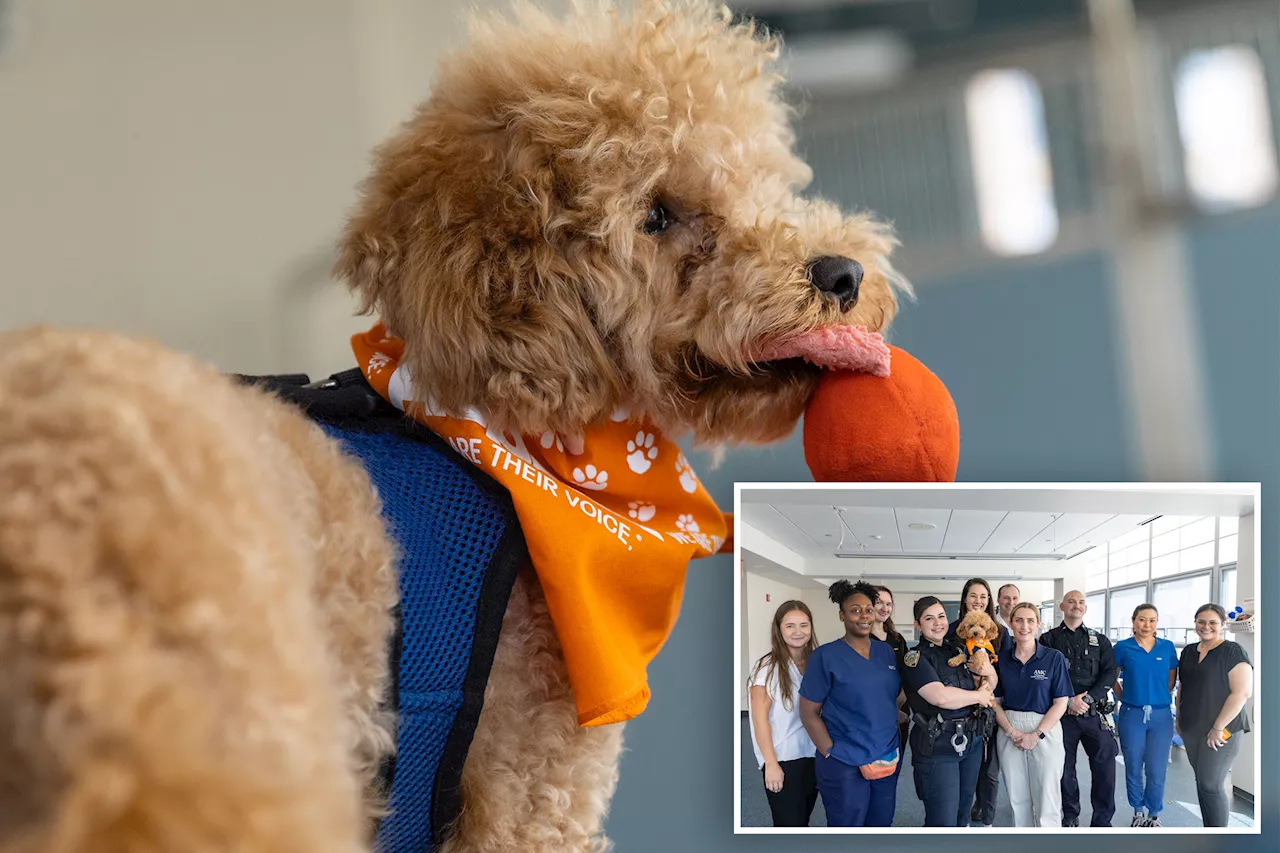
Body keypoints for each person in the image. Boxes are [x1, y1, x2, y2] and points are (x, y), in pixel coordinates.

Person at [799, 580, 902, 827]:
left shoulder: (885, 652)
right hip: (844, 760)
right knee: (847, 827)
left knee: (881, 824)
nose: (864, 615)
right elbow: (808, 712)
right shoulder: (825, 656)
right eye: (855, 610)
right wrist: (830, 751)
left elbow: (890, 696)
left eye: (868, 609)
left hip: (885, 755)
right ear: (842, 615)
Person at [901, 595, 997, 826]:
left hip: (971, 741)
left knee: (963, 813)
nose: (937, 623)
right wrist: (980, 696)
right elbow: (941, 697)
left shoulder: (960, 648)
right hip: (938, 746)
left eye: (941, 616)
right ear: (918, 625)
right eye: (929, 618)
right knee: (942, 820)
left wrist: (988, 679)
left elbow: (991, 678)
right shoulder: (915, 658)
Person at [1039, 589, 1119, 826]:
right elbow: (1045, 677)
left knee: (1106, 766)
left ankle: (1102, 822)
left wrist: (1088, 700)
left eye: (1081, 602)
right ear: (1062, 607)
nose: (1076, 605)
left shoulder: (1100, 640)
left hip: (1094, 713)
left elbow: (1108, 674)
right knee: (1064, 769)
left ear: (1085, 608)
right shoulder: (1048, 640)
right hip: (1062, 716)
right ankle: (1070, 816)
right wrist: (1070, 699)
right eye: (1071, 602)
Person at [992, 603, 1072, 827]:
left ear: (1038, 624)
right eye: (1018, 620)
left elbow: (1061, 703)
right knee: (1018, 800)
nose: (1024, 626)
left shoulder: (1053, 658)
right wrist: (1011, 731)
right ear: (1010, 623)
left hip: (1044, 727)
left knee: (1048, 798)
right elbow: (994, 702)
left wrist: (1036, 735)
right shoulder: (1001, 660)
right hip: (1010, 727)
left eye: (1030, 621)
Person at [1176, 603, 1254, 828]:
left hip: (1223, 729)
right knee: (1202, 782)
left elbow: (1242, 692)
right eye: (1201, 622)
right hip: (1192, 726)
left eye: (1212, 622)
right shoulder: (1189, 651)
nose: (1206, 627)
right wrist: (1179, 718)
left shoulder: (1232, 651)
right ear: (1195, 624)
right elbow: (1184, 686)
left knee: (1211, 783)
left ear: (1222, 625)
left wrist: (1218, 727)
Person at [748, 600, 820, 826]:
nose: (798, 632)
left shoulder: (815, 663)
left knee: (803, 820)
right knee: (788, 825)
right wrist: (770, 764)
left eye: (803, 625)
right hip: (783, 759)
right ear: (778, 629)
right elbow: (759, 722)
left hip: (813, 755)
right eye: (790, 626)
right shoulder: (766, 669)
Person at [948, 578, 1012, 827]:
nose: (978, 601)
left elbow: (1005, 670)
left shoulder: (1000, 632)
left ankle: (986, 817)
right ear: (965, 598)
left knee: (989, 768)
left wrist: (990, 691)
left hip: (990, 703)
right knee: (960, 767)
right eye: (973, 595)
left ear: (989, 601)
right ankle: (958, 816)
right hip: (959, 706)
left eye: (983, 596)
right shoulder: (953, 629)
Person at [1113, 603, 1178, 827]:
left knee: (1157, 767)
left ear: (1157, 623)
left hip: (1161, 715)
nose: (1146, 624)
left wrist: (1156, 696)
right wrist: (1126, 698)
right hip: (1132, 714)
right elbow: (1113, 677)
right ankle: (1137, 811)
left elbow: (1171, 679)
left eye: (1152, 620)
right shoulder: (1122, 647)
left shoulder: (1167, 647)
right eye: (1142, 619)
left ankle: (1154, 813)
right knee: (1132, 764)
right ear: (1133, 621)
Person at [871, 584, 910, 767]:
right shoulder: (859, 638)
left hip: (900, 709)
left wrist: (899, 703)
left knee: (895, 762)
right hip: (872, 714)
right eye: (879, 602)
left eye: (889, 604)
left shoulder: (897, 638)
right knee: (873, 764)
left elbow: (908, 673)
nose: (885, 608)